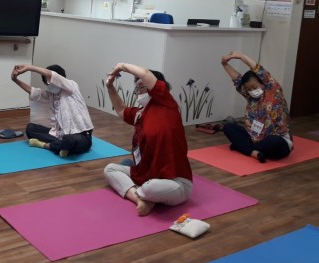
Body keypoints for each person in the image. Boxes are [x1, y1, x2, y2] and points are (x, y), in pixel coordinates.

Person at [103, 62, 193, 216]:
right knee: (110, 169)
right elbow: (121, 109)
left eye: (142, 85)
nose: (139, 89)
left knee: (151, 187)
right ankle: (140, 199)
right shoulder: (140, 113)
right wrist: (110, 87)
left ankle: (142, 193)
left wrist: (121, 66)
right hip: (146, 175)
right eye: (137, 86)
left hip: (175, 182)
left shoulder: (166, 103)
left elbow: (145, 73)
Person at [220, 50, 293, 163]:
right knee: (228, 127)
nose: (252, 91)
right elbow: (237, 80)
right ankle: (253, 152)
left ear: (263, 82)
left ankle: (244, 147)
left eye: (254, 87)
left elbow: (259, 70)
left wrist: (242, 57)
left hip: (277, 141)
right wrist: (225, 64)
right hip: (254, 139)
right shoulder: (250, 97)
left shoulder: (274, 90)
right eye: (249, 89)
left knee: (274, 142)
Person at [11, 64, 94, 158]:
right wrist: (15, 80)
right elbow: (33, 91)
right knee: (30, 128)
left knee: (70, 140)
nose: (49, 83)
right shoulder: (51, 95)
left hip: (81, 135)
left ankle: (46, 145)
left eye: (50, 80)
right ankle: (62, 147)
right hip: (59, 135)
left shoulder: (72, 85)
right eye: (46, 82)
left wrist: (29, 68)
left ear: (60, 79)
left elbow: (52, 75)